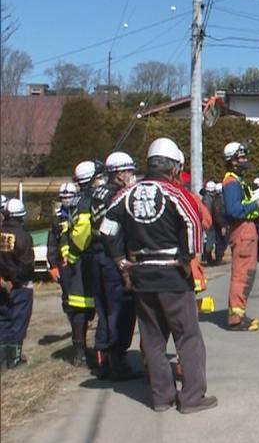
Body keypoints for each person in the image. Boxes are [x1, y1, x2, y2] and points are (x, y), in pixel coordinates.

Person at [102, 137, 216, 414]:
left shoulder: (125, 194)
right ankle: (191, 398)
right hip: (172, 273)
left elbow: (106, 230)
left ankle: (161, 397)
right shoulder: (174, 193)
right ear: (173, 167)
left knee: (152, 339)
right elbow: (193, 225)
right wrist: (188, 259)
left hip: (140, 274)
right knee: (187, 336)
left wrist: (121, 262)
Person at [89, 151, 141, 381]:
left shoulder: (97, 191)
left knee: (104, 309)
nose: (132, 175)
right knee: (120, 310)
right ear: (119, 173)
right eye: (129, 171)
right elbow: (117, 230)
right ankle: (116, 362)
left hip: (97, 256)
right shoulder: (117, 195)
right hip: (113, 256)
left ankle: (102, 361)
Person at [221, 142, 259, 331]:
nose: (245, 160)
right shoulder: (232, 183)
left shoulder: (236, 180)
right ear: (232, 161)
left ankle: (239, 313)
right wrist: (255, 204)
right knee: (242, 274)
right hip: (242, 231)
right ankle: (236, 318)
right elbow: (234, 210)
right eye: (241, 157)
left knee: (246, 274)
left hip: (246, 231)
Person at [61, 160, 101, 369]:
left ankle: (80, 351)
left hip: (78, 261)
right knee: (83, 310)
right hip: (86, 261)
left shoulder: (76, 201)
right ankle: (82, 354)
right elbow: (82, 234)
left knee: (79, 311)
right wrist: (75, 255)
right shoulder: (87, 201)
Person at [0, 198, 36, 370]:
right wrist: (16, 279)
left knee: (4, 319)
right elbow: (27, 265)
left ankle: (2, 358)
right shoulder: (23, 236)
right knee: (19, 321)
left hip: (2, 284)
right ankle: (14, 360)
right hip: (20, 286)